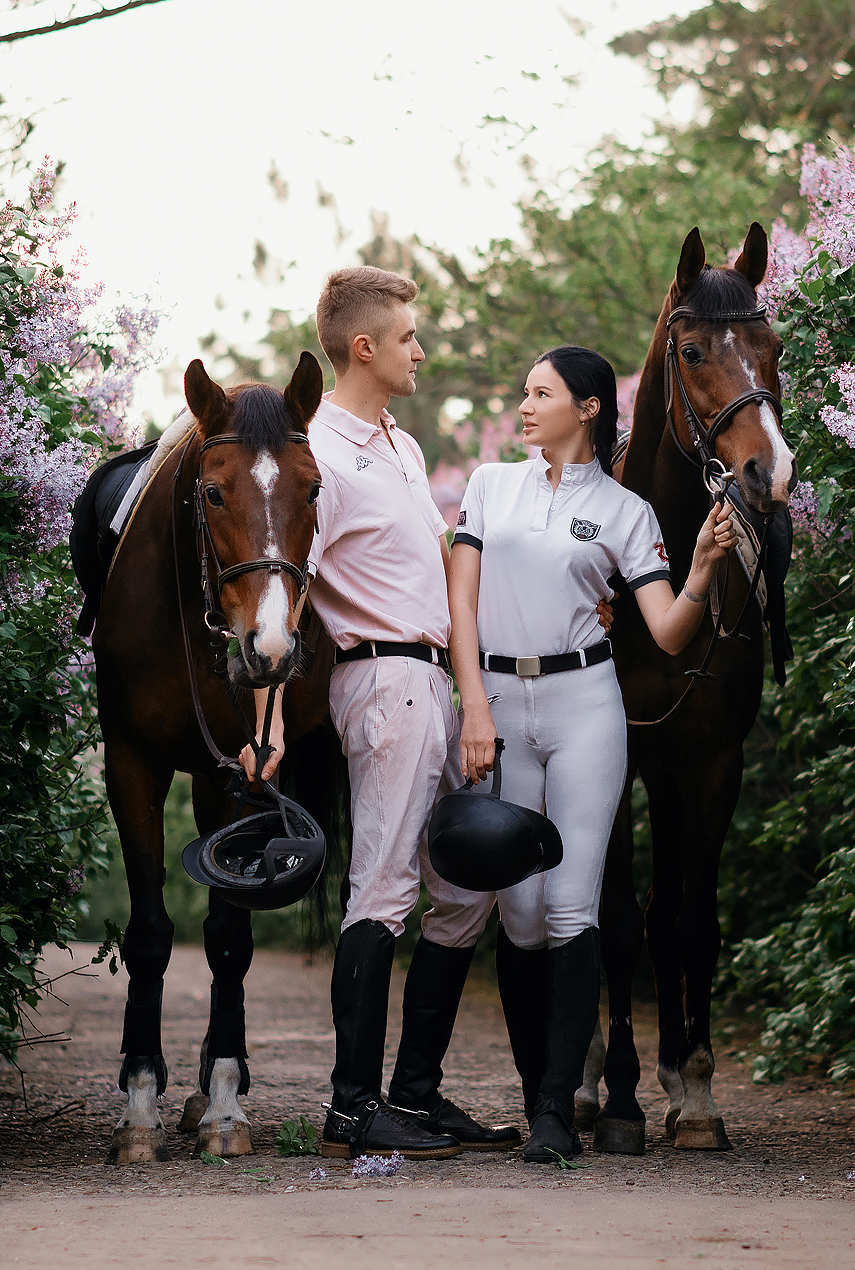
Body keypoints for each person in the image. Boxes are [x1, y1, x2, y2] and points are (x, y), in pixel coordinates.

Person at [445, 345, 734, 1163]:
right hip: (497, 703)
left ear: (590, 408)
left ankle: (547, 1116)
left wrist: (705, 567)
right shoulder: (490, 487)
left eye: (542, 393)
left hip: (585, 708)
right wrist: (473, 705)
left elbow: (669, 633)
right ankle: (544, 1084)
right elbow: (461, 603)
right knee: (520, 913)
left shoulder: (625, 512)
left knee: (571, 907)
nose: (525, 405)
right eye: (525, 391)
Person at [261, 266, 519, 1160]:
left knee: (465, 890)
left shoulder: (399, 447)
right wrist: (271, 718)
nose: (422, 349)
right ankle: (349, 1108)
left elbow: (445, 573)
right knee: (383, 888)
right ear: (363, 347)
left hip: (436, 684)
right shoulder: (319, 457)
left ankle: (414, 1097)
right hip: (380, 681)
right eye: (409, 336)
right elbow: (283, 596)